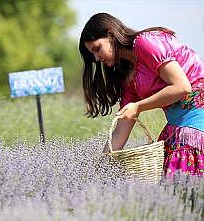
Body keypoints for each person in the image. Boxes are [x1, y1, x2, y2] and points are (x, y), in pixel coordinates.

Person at [79, 13, 204, 177]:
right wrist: (99, 171)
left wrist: (138, 106)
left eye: (97, 49)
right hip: (178, 125)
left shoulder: (145, 42)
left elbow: (182, 86)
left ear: (110, 35)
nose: (96, 57)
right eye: (92, 54)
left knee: (185, 188)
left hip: (196, 124)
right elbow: (120, 130)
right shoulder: (129, 77)